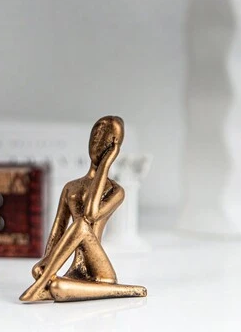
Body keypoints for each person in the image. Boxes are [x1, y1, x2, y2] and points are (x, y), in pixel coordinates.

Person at [19, 115, 147, 302]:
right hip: (76, 273)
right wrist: (45, 262)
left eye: (106, 138)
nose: (97, 141)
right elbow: (57, 231)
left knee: (81, 225)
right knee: (56, 286)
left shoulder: (116, 191)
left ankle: (41, 285)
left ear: (114, 146)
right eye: (95, 134)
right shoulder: (71, 187)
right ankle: (47, 282)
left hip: (101, 273)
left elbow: (90, 214)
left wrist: (105, 165)